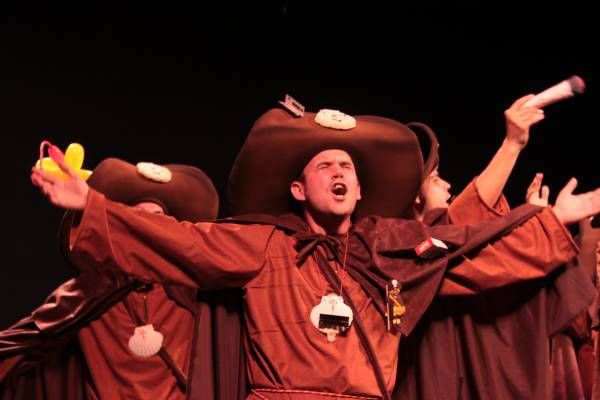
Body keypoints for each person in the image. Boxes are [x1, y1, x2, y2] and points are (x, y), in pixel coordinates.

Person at [30, 104, 600, 400]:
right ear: (299, 189)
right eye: (325, 165)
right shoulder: (265, 244)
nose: (340, 172)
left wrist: (551, 221)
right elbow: (184, 240)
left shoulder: (390, 253)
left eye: (347, 167)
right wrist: (90, 203)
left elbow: (468, 251)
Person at [395, 94, 597, 399]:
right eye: (436, 179)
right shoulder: (407, 251)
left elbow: (476, 233)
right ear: (415, 196)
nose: (448, 185)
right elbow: (462, 219)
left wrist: (538, 221)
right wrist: (512, 145)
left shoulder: (457, 249)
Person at [1, 158, 243, 400]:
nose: (148, 230)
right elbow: (20, 344)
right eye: (136, 220)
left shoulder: (198, 296)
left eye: (158, 219)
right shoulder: (90, 292)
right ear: (120, 230)